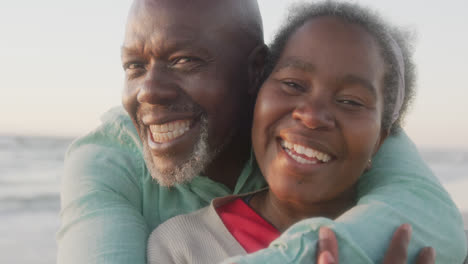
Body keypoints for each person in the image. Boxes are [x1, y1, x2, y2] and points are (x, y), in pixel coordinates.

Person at [56, 0, 467, 263]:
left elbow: (435, 226)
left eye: (184, 61)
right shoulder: (111, 165)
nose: (149, 90)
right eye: (133, 66)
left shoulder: (317, 125)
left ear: (256, 71)